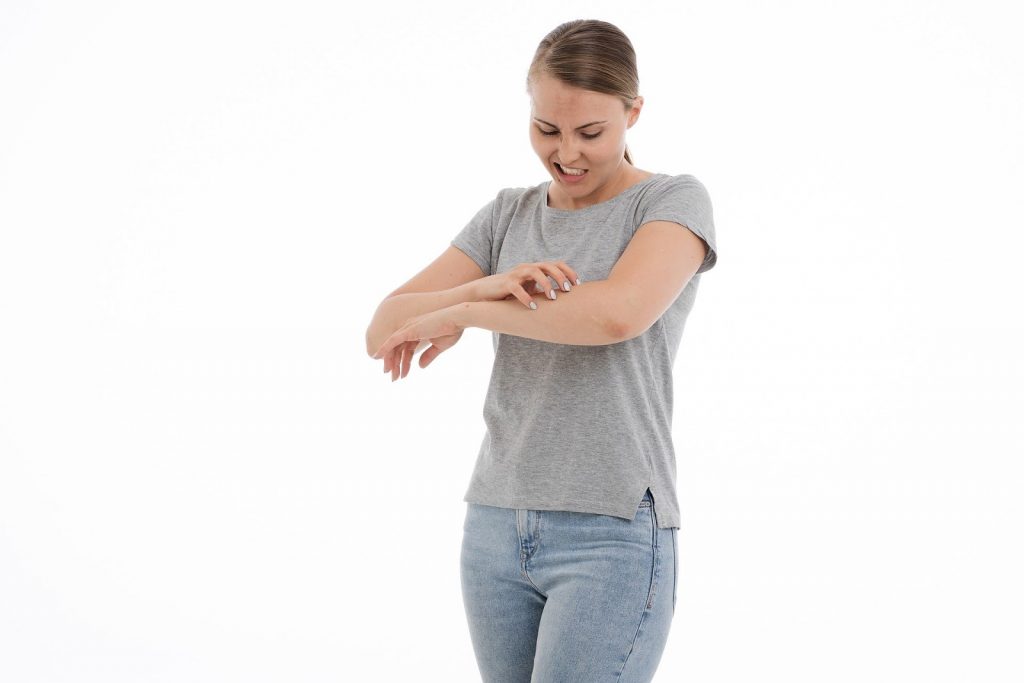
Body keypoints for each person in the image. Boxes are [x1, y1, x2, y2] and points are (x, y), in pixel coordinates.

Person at [366, 18, 717, 683]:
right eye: (546, 131)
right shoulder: (507, 215)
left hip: (611, 530)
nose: (566, 154)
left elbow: (616, 313)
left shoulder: (671, 202)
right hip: (496, 523)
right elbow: (383, 325)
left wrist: (471, 308)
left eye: (591, 132)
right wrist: (490, 281)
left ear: (633, 111)